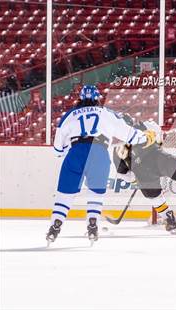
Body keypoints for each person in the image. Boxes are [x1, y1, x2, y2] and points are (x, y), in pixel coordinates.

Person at [46, 85, 156, 245]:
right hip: (99, 152)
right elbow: (128, 134)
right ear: (98, 98)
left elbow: (57, 149)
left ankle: (55, 226)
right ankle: (92, 224)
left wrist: (70, 151)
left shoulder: (69, 115)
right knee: (95, 194)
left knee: (65, 194)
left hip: (75, 152)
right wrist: (145, 138)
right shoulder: (106, 113)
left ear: (80, 98)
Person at [113, 117, 176, 234]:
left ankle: (169, 219)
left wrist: (134, 179)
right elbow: (158, 133)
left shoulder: (116, 147)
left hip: (142, 170)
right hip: (157, 156)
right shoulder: (143, 125)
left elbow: (123, 173)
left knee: (154, 197)